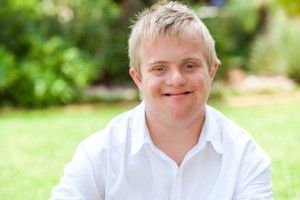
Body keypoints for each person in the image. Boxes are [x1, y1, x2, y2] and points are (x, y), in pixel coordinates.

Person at [50, 1, 272, 199]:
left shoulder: (245, 156)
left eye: (190, 65)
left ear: (211, 71)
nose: (176, 79)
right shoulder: (100, 154)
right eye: (159, 68)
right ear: (138, 78)